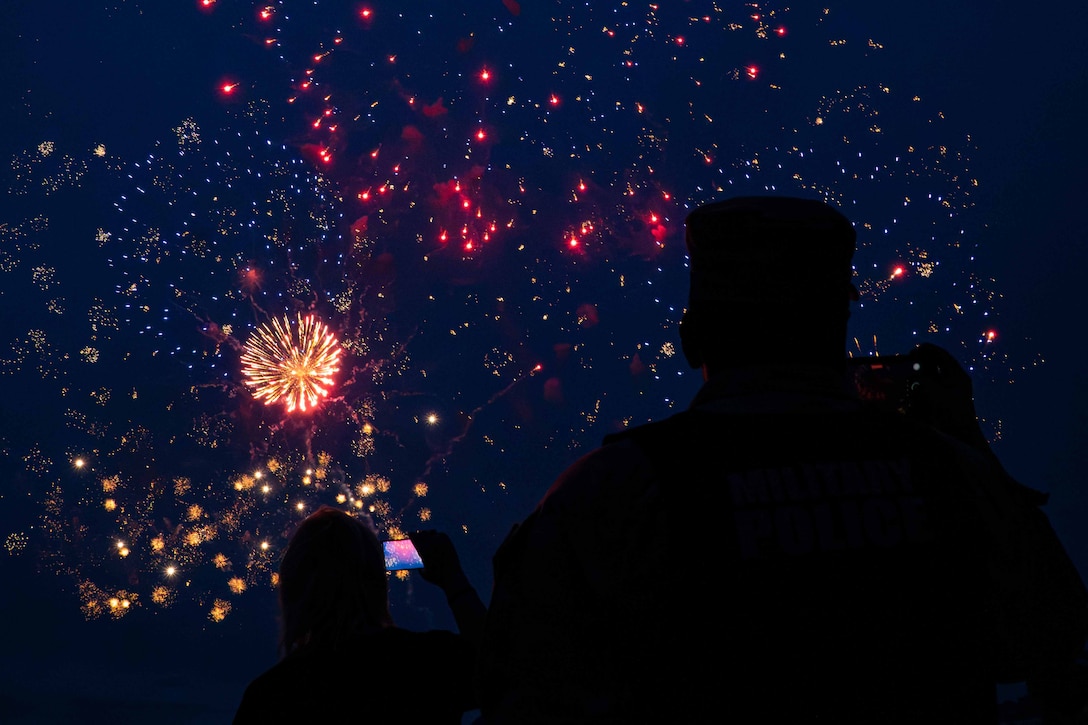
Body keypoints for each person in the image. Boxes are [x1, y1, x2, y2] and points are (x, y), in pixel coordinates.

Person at [477, 195, 1088, 723]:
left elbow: (527, 683)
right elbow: (1055, 636)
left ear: (694, 336)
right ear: (840, 321)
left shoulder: (620, 488)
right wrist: (969, 443)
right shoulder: (950, 473)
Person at [233, 505, 486, 724]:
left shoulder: (274, 696)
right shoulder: (430, 662)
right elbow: (505, 672)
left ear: (293, 587)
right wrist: (454, 580)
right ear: (375, 580)